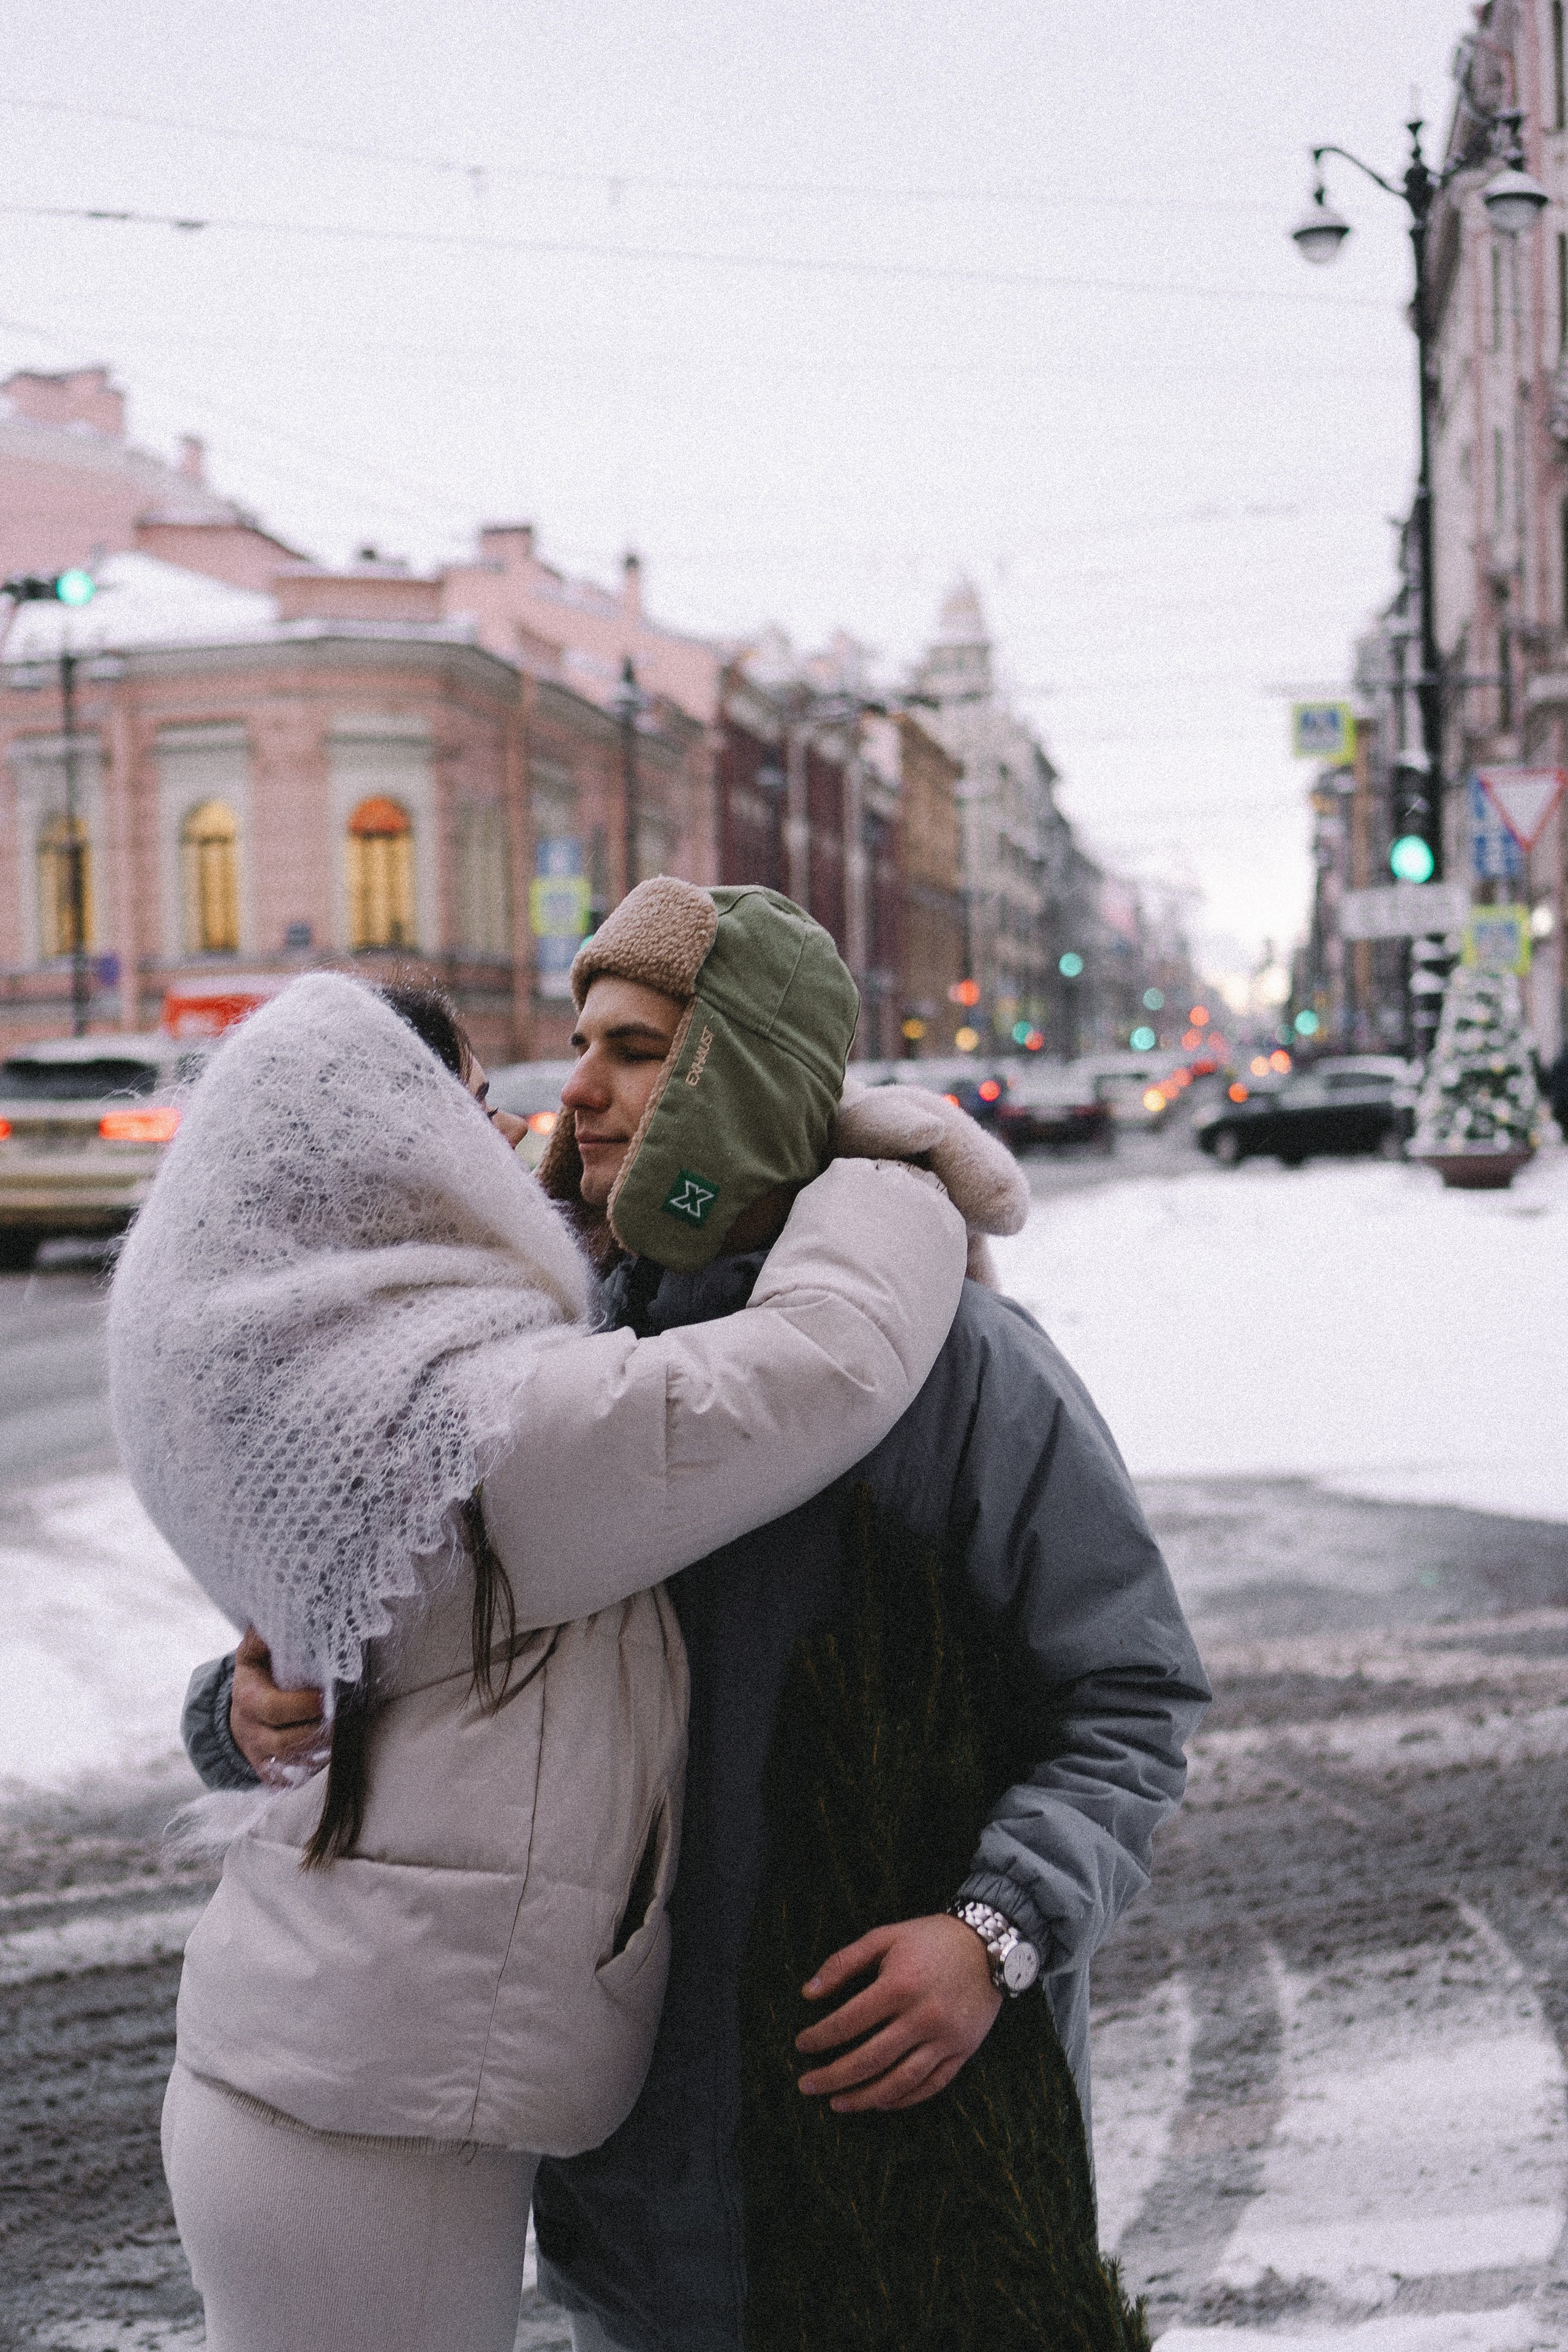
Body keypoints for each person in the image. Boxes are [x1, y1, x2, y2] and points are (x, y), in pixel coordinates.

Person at [188, 883, 1209, 2352]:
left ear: (741, 1077)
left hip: (899, 2162)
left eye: (636, 1049)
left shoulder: (964, 1369)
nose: (579, 1092)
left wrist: (993, 1932)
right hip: (634, 2190)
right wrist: (241, 1706)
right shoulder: (550, 1360)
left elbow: (1126, 1693)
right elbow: (382, 1641)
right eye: (583, 1045)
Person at [115, 952, 967, 2352]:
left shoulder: (302, 1368)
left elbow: (346, 1661)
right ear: (387, 1151)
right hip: (375, 2118)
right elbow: (823, 1363)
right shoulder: (466, 1423)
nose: (518, 1139)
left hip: (307, 2059)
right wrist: (885, 1168)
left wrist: (235, 1712)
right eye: (472, 1113)